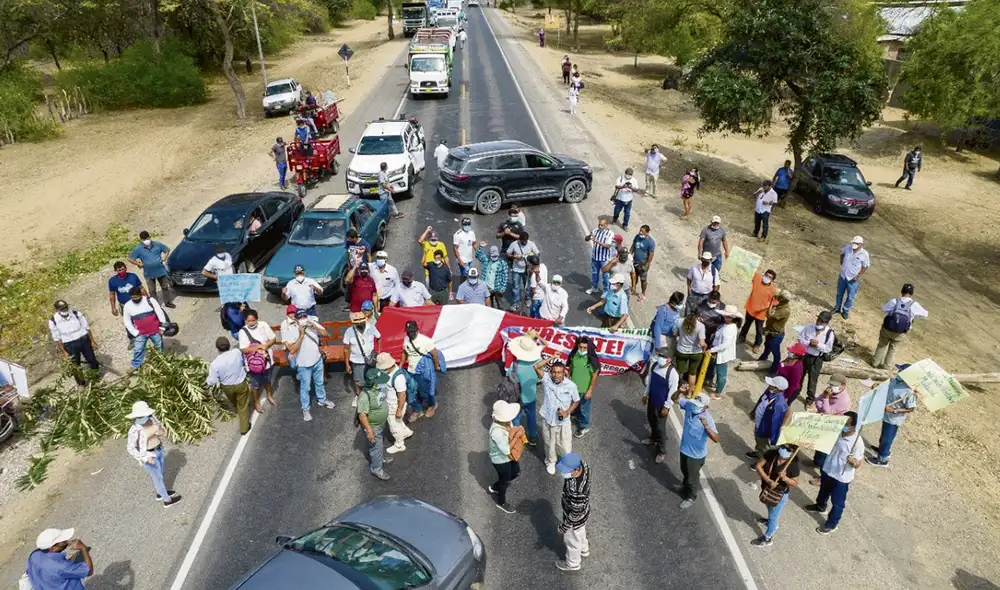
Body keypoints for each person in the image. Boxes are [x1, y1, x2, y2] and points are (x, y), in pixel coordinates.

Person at [805, 411, 864, 534]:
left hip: (841, 477)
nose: (842, 425)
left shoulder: (857, 442)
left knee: (837, 502)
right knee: (823, 491)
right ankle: (820, 506)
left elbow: (858, 463)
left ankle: (832, 524)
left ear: (853, 426)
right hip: (828, 469)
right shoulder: (836, 432)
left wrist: (854, 463)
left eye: (846, 423)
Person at [281, 307, 333, 421]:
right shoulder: (292, 330)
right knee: (306, 387)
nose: (303, 319)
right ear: (296, 319)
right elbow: (292, 350)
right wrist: (301, 334)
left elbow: (327, 334)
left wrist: (315, 326)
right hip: (304, 365)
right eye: (300, 317)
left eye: (304, 316)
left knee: (319, 383)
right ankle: (305, 408)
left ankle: (322, 400)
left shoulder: (312, 324)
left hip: (317, 360)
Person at [125, 401, 181, 506]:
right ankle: (167, 500)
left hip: (158, 449)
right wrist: (144, 458)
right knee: (157, 477)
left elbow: (161, 432)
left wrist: (159, 429)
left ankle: (161, 493)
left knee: (160, 474)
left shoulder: (152, 420)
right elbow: (130, 448)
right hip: (149, 455)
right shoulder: (135, 430)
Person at [674, 391, 720, 508]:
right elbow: (675, 399)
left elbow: (716, 438)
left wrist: (706, 426)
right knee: (684, 471)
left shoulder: (707, 419)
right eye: (694, 404)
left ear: (705, 407)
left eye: (698, 406)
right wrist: (680, 391)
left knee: (692, 478)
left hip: (695, 456)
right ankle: (685, 488)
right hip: (684, 449)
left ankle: (691, 496)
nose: (694, 407)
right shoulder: (689, 405)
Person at [536, 357, 581, 474]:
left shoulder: (571, 386)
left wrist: (567, 412)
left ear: (563, 373)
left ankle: (567, 463)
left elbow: (576, 401)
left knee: (566, 445)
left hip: (563, 422)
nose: (556, 375)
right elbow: (536, 367)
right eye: (554, 372)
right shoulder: (546, 379)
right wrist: (550, 358)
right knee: (549, 444)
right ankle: (551, 462)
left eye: (559, 372)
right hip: (548, 419)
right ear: (551, 372)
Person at [866, 368, 918, 467]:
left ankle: (883, 459)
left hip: (894, 418)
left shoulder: (909, 391)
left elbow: (911, 409)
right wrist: (877, 387)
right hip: (886, 414)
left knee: (887, 438)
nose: (898, 371)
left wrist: (894, 410)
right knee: (884, 436)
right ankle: (882, 449)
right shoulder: (895, 380)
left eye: (900, 370)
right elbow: (887, 389)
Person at [751, 443, 800, 547]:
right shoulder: (771, 453)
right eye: (783, 446)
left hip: (779, 495)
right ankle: (770, 521)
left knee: (774, 516)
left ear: (792, 452)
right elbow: (758, 466)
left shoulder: (793, 464)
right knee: (769, 507)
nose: (783, 449)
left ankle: (768, 538)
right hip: (767, 489)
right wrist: (768, 480)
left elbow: (795, 483)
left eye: (787, 448)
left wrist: (785, 478)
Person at [873, 283, 928, 369]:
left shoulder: (894, 301)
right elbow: (926, 314)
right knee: (893, 349)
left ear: (902, 291)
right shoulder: (914, 305)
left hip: (887, 329)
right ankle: (886, 367)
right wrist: (914, 316)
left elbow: (883, 309)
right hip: (900, 333)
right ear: (912, 293)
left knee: (882, 345)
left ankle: (875, 363)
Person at [207, 337, 253, 435]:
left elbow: (212, 381)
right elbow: (243, 361)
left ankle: (238, 409)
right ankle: (244, 428)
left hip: (227, 387)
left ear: (217, 348)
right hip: (240, 383)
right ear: (229, 345)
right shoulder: (236, 352)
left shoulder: (215, 363)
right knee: (243, 406)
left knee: (234, 401)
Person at [810, 373, 851, 480]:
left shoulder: (843, 400)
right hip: (824, 422)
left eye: (834, 385)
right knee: (818, 445)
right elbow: (817, 400)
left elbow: (828, 413)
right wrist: (823, 404)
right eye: (831, 384)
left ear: (842, 386)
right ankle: (816, 462)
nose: (831, 387)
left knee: (824, 450)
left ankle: (823, 477)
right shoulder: (830, 391)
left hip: (833, 427)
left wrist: (826, 399)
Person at [555, 452, 591, 572]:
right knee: (580, 532)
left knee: (571, 540)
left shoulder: (577, 490)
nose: (563, 473)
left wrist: (564, 527)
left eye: (566, 471)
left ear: (576, 470)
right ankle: (584, 549)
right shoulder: (584, 466)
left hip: (574, 518)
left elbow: (575, 514)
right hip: (584, 512)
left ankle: (573, 563)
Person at [25, 528, 93, 590]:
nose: (66, 541)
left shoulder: (34, 555)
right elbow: (89, 571)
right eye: (63, 541)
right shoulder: (61, 567)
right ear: (53, 548)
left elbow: (53, 569)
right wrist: (83, 548)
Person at [403, 320, 443, 421]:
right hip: (411, 370)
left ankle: (432, 405)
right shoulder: (406, 339)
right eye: (408, 332)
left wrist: (436, 366)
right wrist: (400, 365)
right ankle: (418, 409)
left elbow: (434, 354)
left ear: (417, 330)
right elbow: (405, 351)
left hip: (422, 371)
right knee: (412, 391)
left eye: (412, 331)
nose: (410, 334)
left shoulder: (426, 341)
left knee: (426, 391)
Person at [643, 348, 678, 463]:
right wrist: (645, 395)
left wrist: (667, 407)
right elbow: (650, 382)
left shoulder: (672, 373)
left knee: (660, 428)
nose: (659, 358)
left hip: (661, 406)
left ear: (669, 359)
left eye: (662, 356)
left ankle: (661, 451)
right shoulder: (655, 366)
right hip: (652, 401)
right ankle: (652, 439)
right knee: (651, 420)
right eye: (659, 355)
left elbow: (673, 392)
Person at [507, 332, 543, 445]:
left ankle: (517, 437)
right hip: (531, 396)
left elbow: (509, 376)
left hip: (517, 397)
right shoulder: (538, 361)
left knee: (516, 418)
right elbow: (539, 378)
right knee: (531, 416)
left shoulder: (515, 365)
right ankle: (533, 437)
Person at [357, 368, 393, 481]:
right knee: (376, 447)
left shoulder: (378, 388)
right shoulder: (364, 396)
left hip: (380, 423)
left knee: (379, 444)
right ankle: (377, 469)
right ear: (372, 383)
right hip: (373, 426)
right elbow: (362, 415)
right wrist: (370, 431)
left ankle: (379, 458)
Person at [48, 300, 99, 379]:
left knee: (92, 360)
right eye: (62, 309)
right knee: (75, 365)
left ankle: (96, 377)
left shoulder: (76, 314)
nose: (65, 309)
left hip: (84, 340)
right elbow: (57, 338)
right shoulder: (53, 321)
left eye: (66, 307)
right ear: (57, 310)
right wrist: (64, 352)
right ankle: (81, 383)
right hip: (69, 344)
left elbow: (87, 328)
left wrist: (92, 341)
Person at [488, 400, 524, 513]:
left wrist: (517, 431)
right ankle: (501, 502)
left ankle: (495, 487)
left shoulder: (506, 423)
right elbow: (506, 450)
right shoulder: (496, 432)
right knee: (505, 480)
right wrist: (517, 436)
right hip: (500, 460)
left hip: (508, 458)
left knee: (515, 472)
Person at [375, 353, 414, 454]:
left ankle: (399, 444)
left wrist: (399, 410)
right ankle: (406, 432)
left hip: (395, 405)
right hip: (391, 403)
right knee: (398, 421)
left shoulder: (398, 378)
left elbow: (402, 395)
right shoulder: (388, 373)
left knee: (394, 426)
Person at [238, 309, 276, 411]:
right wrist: (258, 348)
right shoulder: (243, 332)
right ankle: (256, 402)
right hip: (253, 364)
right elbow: (244, 349)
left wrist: (266, 346)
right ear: (245, 320)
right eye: (248, 321)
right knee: (255, 385)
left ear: (257, 319)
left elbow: (273, 339)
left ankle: (269, 394)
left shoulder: (263, 325)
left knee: (267, 379)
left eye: (253, 320)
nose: (251, 323)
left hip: (267, 361)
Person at [122, 287, 167, 370]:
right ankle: (135, 366)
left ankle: (161, 362)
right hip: (140, 333)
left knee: (159, 346)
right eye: (132, 297)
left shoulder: (150, 300)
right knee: (138, 349)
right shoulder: (127, 306)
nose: (134, 299)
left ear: (141, 295)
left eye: (136, 297)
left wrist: (162, 327)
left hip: (155, 330)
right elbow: (127, 321)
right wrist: (135, 332)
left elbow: (160, 313)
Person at [746, 376, 790, 460]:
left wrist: (773, 438)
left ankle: (761, 462)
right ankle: (758, 452)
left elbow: (776, 422)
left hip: (764, 429)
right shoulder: (770, 393)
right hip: (759, 423)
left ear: (777, 388)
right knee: (758, 439)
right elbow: (761, 403)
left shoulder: (779, 404)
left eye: (772, 384)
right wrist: (754, 411)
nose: (769, 384)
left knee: (764, 446)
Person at [129, 231, 175, 308]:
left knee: (165, 287)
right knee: (152, 290)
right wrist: (138, 264)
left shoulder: (157, 244)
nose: (146, 240)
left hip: (160, 270)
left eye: (146, 238)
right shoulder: (138, 248)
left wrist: (164, 257)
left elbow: (167, 249)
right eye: (144, 239)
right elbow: (130, 259)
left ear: (149, 237)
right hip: (149, 273)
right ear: (141, 240)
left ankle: (168, 302)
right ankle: (156, 305)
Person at [798, 311, 835, 404]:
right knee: (799, 375)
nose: (818, 322)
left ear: (826, 323)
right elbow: (800, 338)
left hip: (816, 359)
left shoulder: (829, 333)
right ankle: (795, 392)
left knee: (812, 380)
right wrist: (808, 343)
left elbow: (828, 348)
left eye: (822, 321)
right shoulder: (809, 327)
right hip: (804, 355)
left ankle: (809, 400)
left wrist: (818, 345)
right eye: (818, 319)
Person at [344, 311, 381, 402]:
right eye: (357, 322)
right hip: (357, 361)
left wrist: (378, 351)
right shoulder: (349, 332)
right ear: (354, 323)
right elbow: (346, 349)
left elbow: (379, 337)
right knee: (358, 381)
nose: (360, 323)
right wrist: (347, 364)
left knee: (372, 379)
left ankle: (371, 398)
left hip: (371, 359)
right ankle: (359, 397)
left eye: (361, 321)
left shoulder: (371, 327)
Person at [739, 269, 778, 353]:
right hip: (751, 308)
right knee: (746, 324)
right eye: (766, 275)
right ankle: (742, 337)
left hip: (761, 313)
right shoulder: (757, 279)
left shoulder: (773, 290)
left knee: (759, 329)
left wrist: (770, 311)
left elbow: (774, 302)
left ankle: (757, 344)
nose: (767, 277)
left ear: (772, 280)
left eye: (769, 277)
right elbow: (752, 269)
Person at [568, 336, 600, 437]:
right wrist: (568, 378)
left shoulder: (591, 360)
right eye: (580, 347)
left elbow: (595, 375)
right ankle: (576, 416)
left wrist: (590, 390)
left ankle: (584, 426)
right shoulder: (574, 355)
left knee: (584, 408)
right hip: (574, 387)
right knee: (574, 403)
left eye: (585, 348)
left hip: (584, 389)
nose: (582, 350)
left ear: (589, 348)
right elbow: (571, 367)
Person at [108, 261, 145, 348]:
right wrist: (113, 308)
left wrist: (147, 299)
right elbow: (112, 294)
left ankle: (144, 335)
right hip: (124, 305)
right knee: (128, 322)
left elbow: (141, 288)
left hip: (137, 302)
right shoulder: (112, 281)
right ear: (116, 271)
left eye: (123, 269)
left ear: (126, 268)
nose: (121, 271)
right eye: (119, 270)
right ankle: (132, 339)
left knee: (141, 318)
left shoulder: (133, 276)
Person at [832, 236, 870, 320]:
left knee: (850, 297)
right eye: (853, 243)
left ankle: (845, 311)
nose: (854, 245)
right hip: (843, 275)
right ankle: (837, 308)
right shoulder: (848, 248)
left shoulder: (864, 254)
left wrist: (858, 276)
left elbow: (865, 266)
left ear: (861, 244)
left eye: (856, 244)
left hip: (853, 279)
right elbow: (842, 254)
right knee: (839, 293)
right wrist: (842, 264)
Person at [707, 305, 741, 398]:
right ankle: (714, 386)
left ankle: (718, 393)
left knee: (721, 374)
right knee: (717, 370)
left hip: (722, 354)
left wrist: (712, 350)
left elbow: (725, 344)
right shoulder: (728, 325)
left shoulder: (729, 329)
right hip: (719, 352)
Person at [759, 290, 792, 370]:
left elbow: (769, 315)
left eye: (780, 297)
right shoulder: (780, 305)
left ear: (782, 299)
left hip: (776, 334)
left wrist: (771, 303)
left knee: (775, 352)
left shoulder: (785, 310)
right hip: (771, 331)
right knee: (767, 346)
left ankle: (774, 369)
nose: (778, 298)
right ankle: (762, 360)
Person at [674, 311, 707, 390]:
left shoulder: (679, 321)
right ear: (698, 316)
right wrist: (706, 346)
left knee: (679, 372)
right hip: (696, 353)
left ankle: (678, 389)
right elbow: (702, 343)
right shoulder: (701, 326)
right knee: (692, 373)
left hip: (681, 351)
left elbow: (675, 334)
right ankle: (690, 393)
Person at [507, 232, 539, 311]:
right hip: (516, 269)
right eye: (523, 241)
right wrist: (513, 256)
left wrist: (532, 259)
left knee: (527, 286)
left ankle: (527, 299)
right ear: (519, 239)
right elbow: (508, 253)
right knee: (515, 287)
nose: (524, 242)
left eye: (526, 241)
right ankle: (515, 303)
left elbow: (537, 253)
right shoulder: (514, 244)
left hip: (527, 269)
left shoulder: (531, 244)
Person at [584, 217, 615, 295]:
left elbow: (608, 245)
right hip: (595, 257)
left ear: (606, 225)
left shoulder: (610, 233)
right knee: (594, 273)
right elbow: (586, 239)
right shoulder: (595, 231)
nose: (600, 227)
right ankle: (594, 287)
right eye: (599, 225)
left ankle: (606, 291)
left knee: (605, 276)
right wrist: (589, 236)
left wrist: (597, 241)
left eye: (602, 225)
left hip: (604, 259)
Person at [476, 241, 508, 309]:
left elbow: (505, 276)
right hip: (487, 287)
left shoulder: (502, 263)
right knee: (489, 307)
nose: (494, 257)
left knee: (500, 307)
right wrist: (481, 247)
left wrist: (503, 287)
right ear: (489, 254)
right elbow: (478, 256)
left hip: (498, 288)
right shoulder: (486, 260)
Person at [630, 225, 656, 301]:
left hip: (643, 264)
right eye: (640, 230)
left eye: (642, 231)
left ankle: (643, 293)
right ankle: (633, 288)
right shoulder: (637, 237)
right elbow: (633, 247)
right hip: (634, 262)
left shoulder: (651, 242)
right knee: (634, 276)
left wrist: (646, 265)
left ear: (647, 233)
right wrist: (629, 255)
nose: (640, 232)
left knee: (643, 280)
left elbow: (651, 255)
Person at [453, 217, 476, 284]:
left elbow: (474, 244)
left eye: (468, 224)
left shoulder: (472, 233)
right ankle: (462, 287)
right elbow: (455, 248)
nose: (467, 226)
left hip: (470, 258)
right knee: (464, 275)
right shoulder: (458, 235)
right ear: (462, 225)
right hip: (462, 259)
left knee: (467, 274)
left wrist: (478, 252)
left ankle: (466, 287)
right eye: (465, 225)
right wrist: (460, 260)